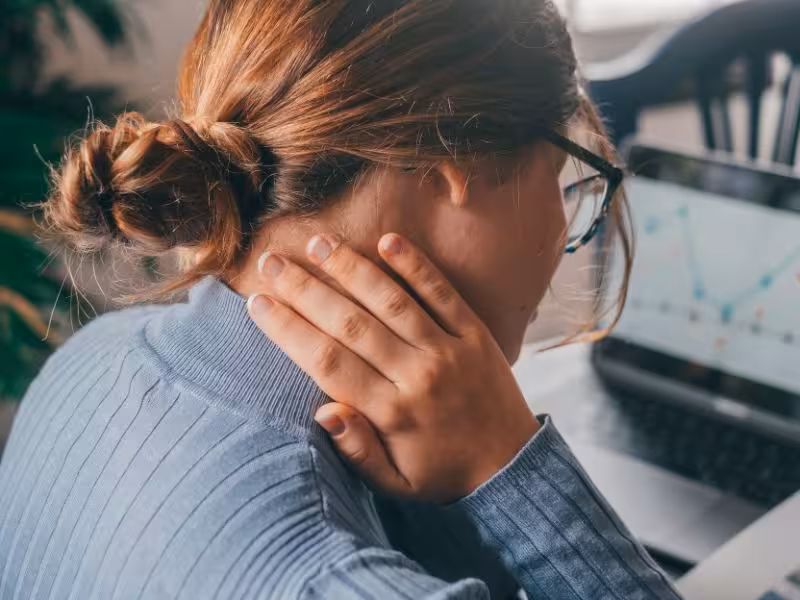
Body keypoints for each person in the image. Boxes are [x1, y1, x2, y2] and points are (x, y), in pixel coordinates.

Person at [0, 0, 682, 598]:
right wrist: (507, 466)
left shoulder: (86, 362)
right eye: (567, 170)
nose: (565, 220)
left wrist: (460, 475)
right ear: (458, 169)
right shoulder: (330, 579)